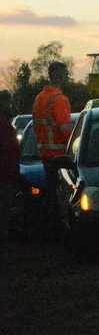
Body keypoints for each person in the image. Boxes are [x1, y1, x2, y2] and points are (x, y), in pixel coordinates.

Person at [32, 61, 74, 240]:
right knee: (59, 197)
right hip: (59, 157)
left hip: (45, 155)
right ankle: (54, 232)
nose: (67, 77)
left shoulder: (39, 99)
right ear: (58, 77)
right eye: (65, 74)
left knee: (50, 194)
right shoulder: (59, 100)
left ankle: (44, 230)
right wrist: (75, 147)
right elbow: (66, 131)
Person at [0, 93, 21, 262]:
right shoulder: (5, 128)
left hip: (6, 177)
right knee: (3, 214)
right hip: (5, 179)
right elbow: (11, 154)